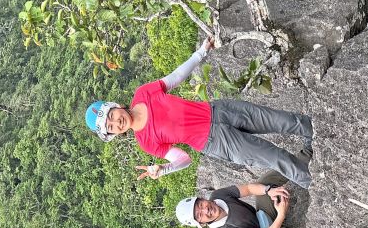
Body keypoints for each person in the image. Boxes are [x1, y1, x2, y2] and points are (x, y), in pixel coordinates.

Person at [84, 38, 313, 189]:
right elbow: (183, 159)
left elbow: (174, 78)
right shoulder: (146, 142)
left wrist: (201, 53)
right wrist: (163, 169)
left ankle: (323, 134)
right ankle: (318, 183)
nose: (116, 122)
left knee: (285, 121)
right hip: (216, 141)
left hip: (219, 110)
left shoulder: (143, 94)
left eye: (112, 116)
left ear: (115, 106)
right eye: (111, 127)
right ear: (114, 134)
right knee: (276, 157)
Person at [175, 175, 311, 228]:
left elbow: (249, 189)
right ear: (202, 223)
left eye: (200, 205)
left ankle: (307, 156)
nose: (205, 210)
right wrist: (281, 214)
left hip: (261, 218)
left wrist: (268, 190)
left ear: (202, 199)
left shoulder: (218, 196)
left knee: (265, 181)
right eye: (200, 215)